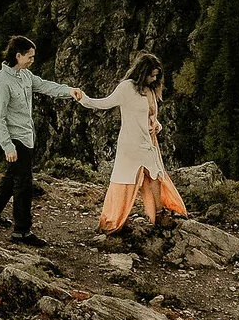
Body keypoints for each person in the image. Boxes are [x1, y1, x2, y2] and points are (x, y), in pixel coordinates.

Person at [0, 34, 82, 243]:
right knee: (23, 184)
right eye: (30, 57)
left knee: (12, 179)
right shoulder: (1, 83)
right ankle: (22, 231)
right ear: (18, 56)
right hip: (15, 139)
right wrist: (8, 146)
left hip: (27, 137)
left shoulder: (25, 75)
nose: (32, 60)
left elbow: (45, 85)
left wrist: (69, 91)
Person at [75, 53, 186, 234]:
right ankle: (115, 218)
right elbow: (104, 103)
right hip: (131, 142)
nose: (154, 78)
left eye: (157, 75)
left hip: (148, 141)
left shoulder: (150, 90)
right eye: (152, 75)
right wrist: (83, 99)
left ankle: (158, 214)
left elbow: (152, 117)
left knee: (154, 176)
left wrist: (157, 125)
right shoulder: (127, 88)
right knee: (126, 180)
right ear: (142, 72)